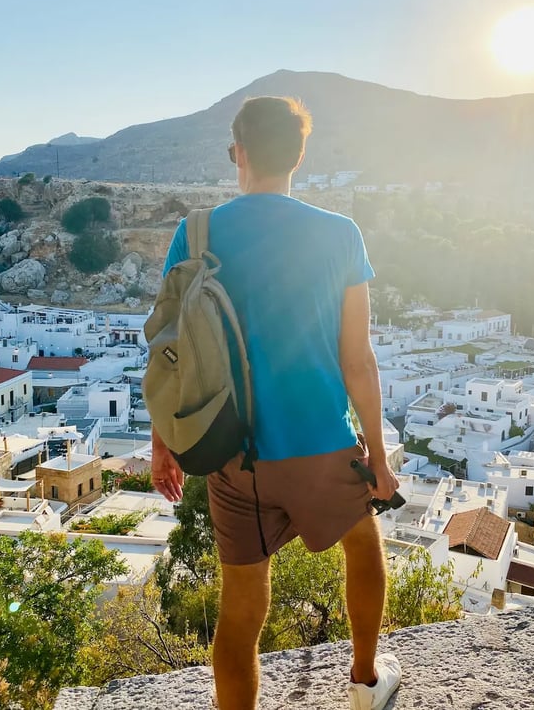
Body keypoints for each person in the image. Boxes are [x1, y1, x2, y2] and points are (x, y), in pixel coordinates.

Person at [152, 96, 401, 710]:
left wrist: (166, 443)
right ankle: (366, 681)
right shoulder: (341, 234)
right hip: (321, 440)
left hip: (235, 452)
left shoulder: (198, 230)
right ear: (300, 154)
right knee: (364, 550)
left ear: (238, 152)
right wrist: (378, 451)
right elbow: (358, 359)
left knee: (241, 611)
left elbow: (169, 349)